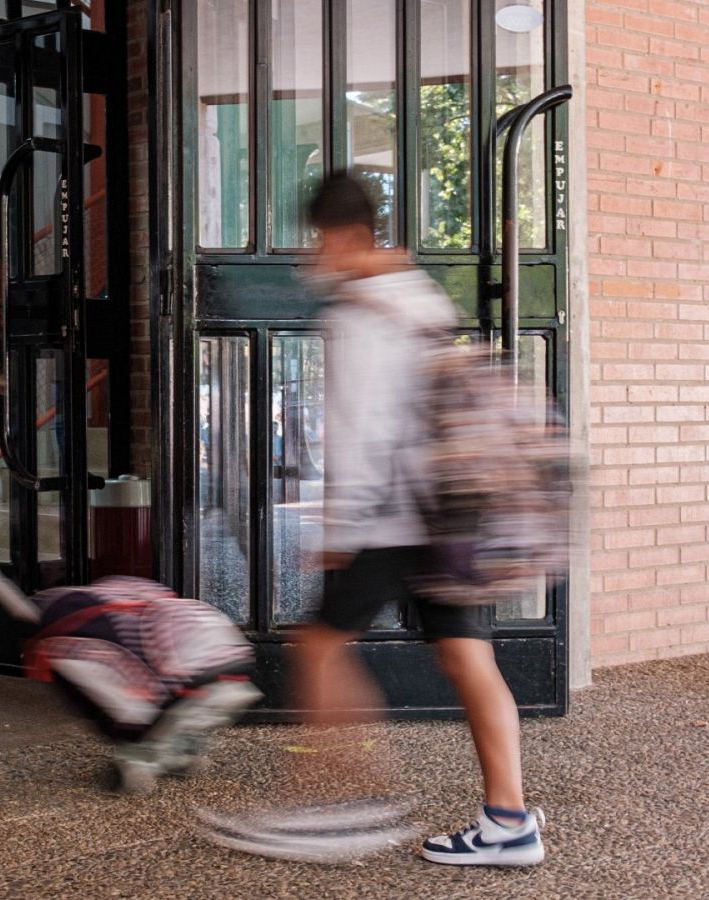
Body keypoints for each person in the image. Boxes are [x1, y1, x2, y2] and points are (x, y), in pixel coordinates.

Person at [201, 174, 543, 866]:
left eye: (317, 240)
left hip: (392, 518)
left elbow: (361, 429)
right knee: (468, 656)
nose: (311, 257)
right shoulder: (417, 293)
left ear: (345, 236)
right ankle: (508, 819)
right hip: (449, 512)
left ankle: (337, 807)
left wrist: (338, 532)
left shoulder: (357, 314)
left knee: (319, 644)